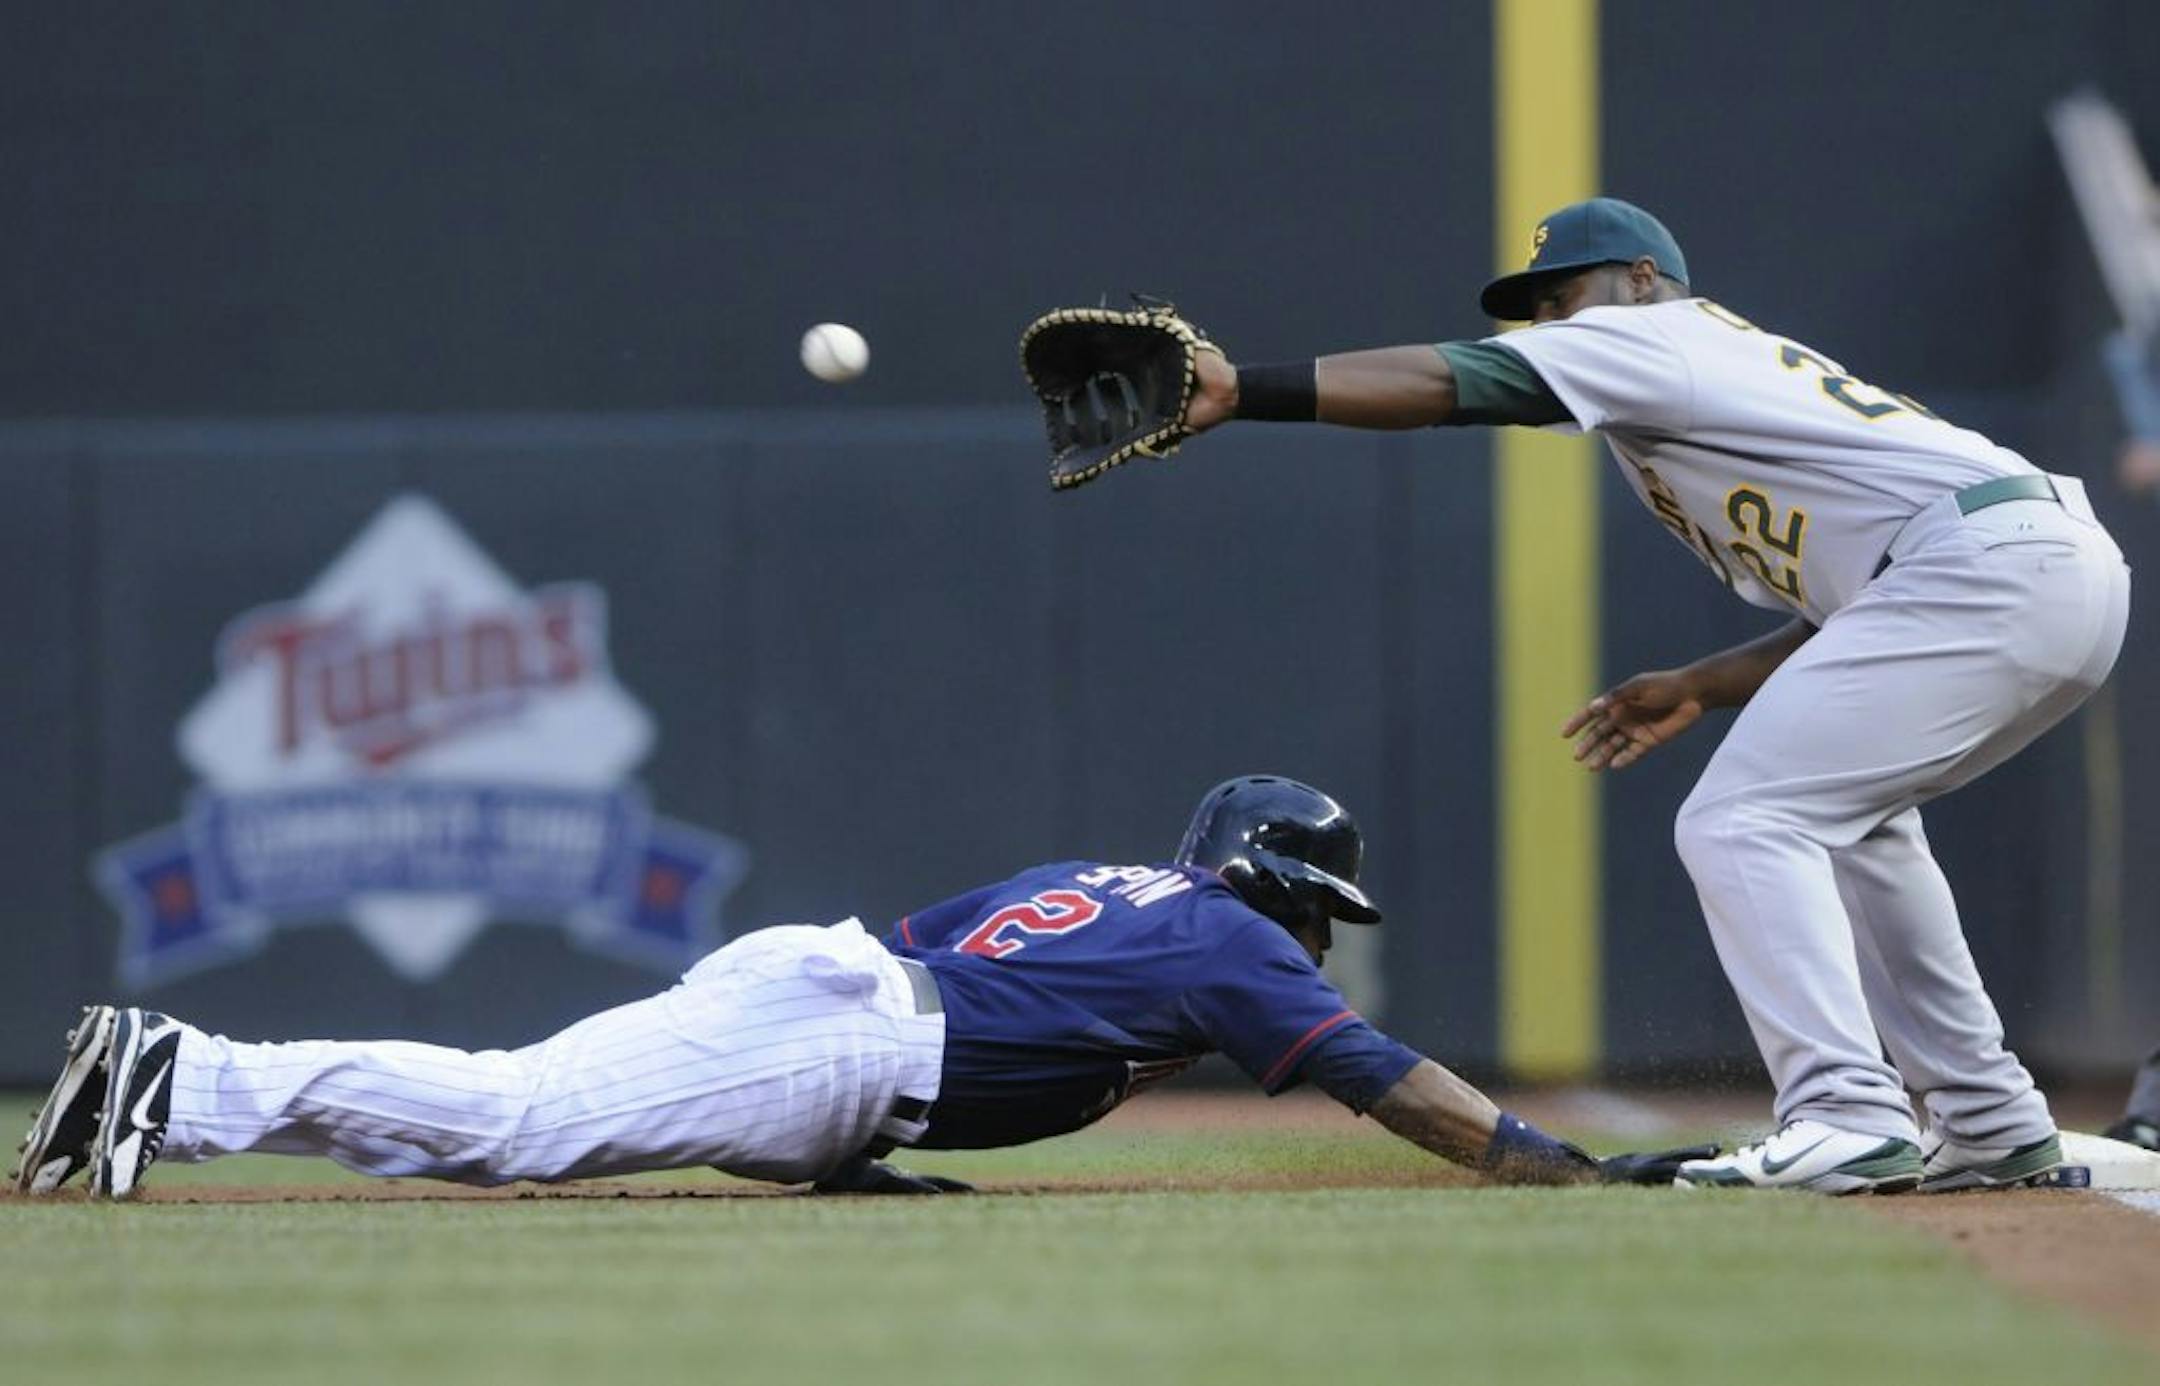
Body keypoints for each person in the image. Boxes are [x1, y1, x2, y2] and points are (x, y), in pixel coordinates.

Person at [1167, 199, 2132, 1193]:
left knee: (1744, 817)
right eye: (1537, 305)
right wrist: (1702, 685)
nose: (1552, 317)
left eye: (1565, 291)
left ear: (1638, 276)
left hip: (1981, 565)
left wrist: (1247, 390)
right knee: (1858, 823)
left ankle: (1845, 1113)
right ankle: (1987, 1119)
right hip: (2027, 567)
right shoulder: (1701, 385)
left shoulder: (1652, 337)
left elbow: (1456, 381)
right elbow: (1855, 606)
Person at [12, 775, 1704, 1200]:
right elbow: (1382, 1076)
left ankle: (168, 1092)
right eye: (1312, 901)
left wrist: (836, 1154)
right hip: (848, 1032)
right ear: (1271, 876)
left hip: (838, 1006)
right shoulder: (1226, 940)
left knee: (518, 1117)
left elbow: (936, 961)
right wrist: (1537, 1162)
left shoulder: (1104, 886)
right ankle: (177, 1073)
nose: (1316, 935)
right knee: (516, 1120)